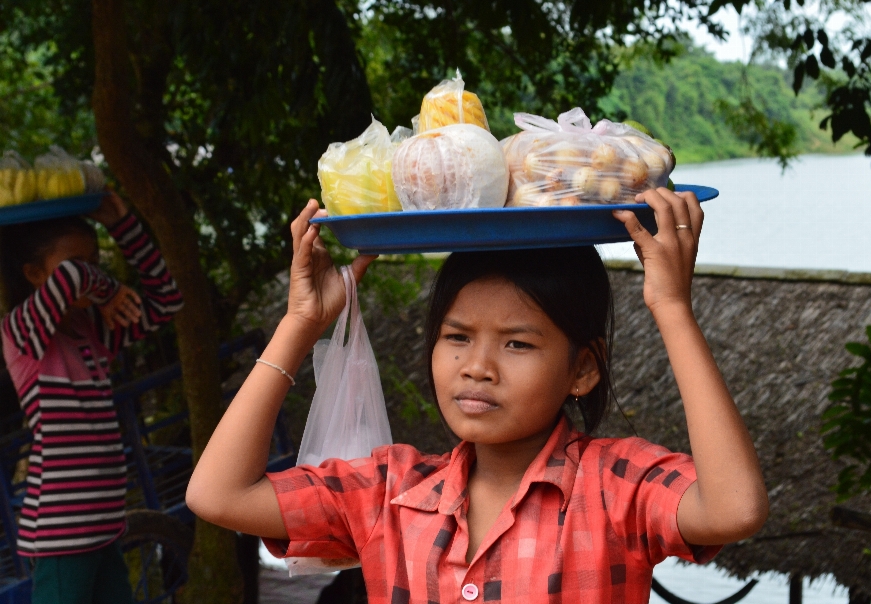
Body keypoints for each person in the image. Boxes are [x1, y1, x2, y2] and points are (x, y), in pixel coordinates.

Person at [186, 189, 768, 603]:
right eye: (457, 338)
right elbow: (218, 494)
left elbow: (734, 510)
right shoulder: (391, 492)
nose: (477, 368)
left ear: (583, 368)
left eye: (517, 344)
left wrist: (672, 309)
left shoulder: (616, 487)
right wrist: (299, 323)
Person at [1, 192, 184, 604]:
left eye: (96, 261)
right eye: (81, 262)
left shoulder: (93, 332)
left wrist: (123, 224)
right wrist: (110, 289)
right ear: (32, 273)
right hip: (60, 533)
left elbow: (167, 300)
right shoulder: (21, 332)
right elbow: (70, 280)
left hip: (104, 525)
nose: (93, 274)